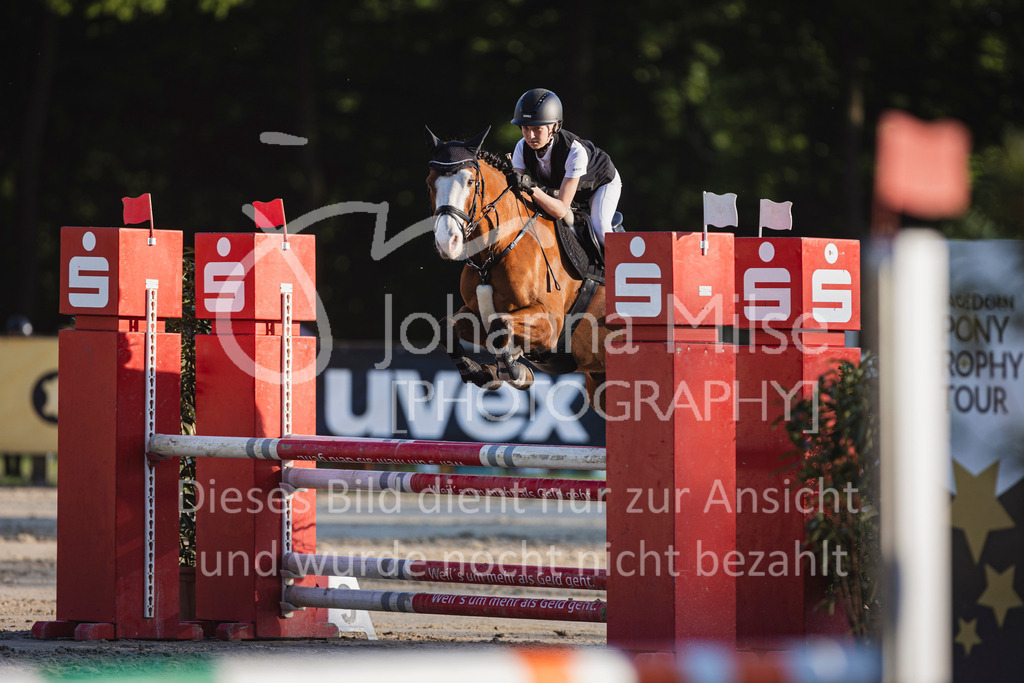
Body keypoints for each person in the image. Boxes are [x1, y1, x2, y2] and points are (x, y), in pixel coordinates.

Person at [509, 88, 622, 247]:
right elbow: (514, 189)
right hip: (565, 188)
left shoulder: (574, 151)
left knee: (600, 228)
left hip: (600, 184)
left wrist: (531, 188)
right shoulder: (521, 147)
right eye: (525, 128)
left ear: (554, 126)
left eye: (537, 129)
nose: (530, 136)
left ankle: (619, 267)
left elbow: (561, 210)